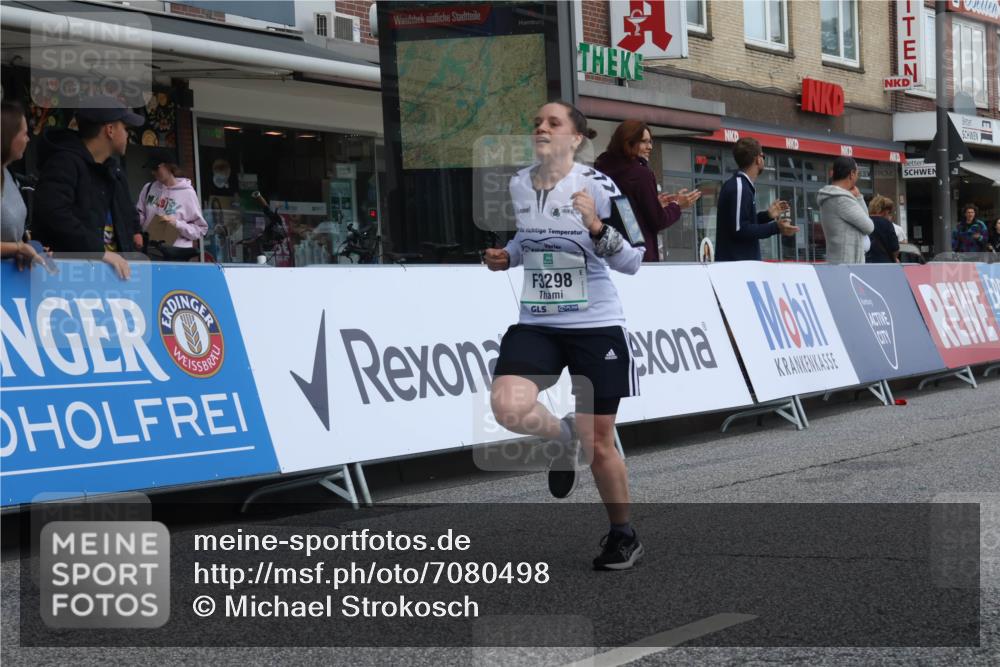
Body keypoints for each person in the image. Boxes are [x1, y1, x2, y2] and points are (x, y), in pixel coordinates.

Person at [483, 101, 645, 571]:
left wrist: (596, 226)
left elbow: (634, 260)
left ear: (576, 138)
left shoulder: (602, 186)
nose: (541, 127)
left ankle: (623, 535)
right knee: (507, 406)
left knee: (598, 444)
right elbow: (526, 240)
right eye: (536, 121)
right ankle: (559, 436)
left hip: (596, 327)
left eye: (553, 122)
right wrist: (507, 257)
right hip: (538, 321)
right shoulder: (518, 183)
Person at [32, 96, 143, 279]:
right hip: (69, 278)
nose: (127, 135)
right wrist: (99, 252)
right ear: (110, 130)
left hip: (116, 276)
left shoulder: (114, 170)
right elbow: (54, 212)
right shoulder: (63, 163)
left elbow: (127, 216)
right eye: (125, 128)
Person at [594, 120, 699, 261]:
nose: (650, 147)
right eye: (644, 142)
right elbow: (658, 220)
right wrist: (677, 205)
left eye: (650, 142)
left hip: (605, 250)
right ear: (628, 143)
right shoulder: (640, 174)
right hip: (637, 255)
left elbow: (624, 210)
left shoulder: (600, 168)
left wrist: (653, 204)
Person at [715, 137, 796, 261]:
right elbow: (739, 229)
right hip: (737, 266)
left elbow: (741, 223)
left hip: (740, 265)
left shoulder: (741, 185)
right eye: (763, 156)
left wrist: (767, 216)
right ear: (758, 159)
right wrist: (776, 227)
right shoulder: (740, 187)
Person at [1, 100, 45, 269]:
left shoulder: (9, 175)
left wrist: (28, 249)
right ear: (8, 136)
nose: (28, 139)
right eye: (24, 133)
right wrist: (18, 248)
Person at [137, 148, 208, 248]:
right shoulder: (148, 188)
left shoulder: (187, 193)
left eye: (156, 168)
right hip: (151, 250)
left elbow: (201, 229)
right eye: (151, 169)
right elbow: (140, 216)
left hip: (176, 254)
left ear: (168, 166)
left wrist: (176, 224)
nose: (153, 172)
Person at [818, 156, 873, 264]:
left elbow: (864, 218)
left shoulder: (831, 197)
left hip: (837, 261)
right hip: (848, 264)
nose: (857, 177)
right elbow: (869, 227)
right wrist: (858, 198)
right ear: (851, 174)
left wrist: (857, 197)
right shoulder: (842, 200)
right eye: (857, 173)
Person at [865, 195, 900, 264]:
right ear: (885, 211)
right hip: (884, 263)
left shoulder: (864, 221)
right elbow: (895, 248)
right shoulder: (887, 224)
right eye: (889, 212)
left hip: (865, 263)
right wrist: (894, 258)